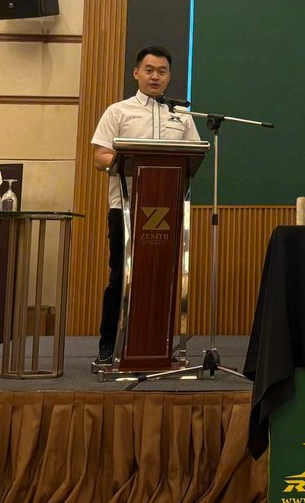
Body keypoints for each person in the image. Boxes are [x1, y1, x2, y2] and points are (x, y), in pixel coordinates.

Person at [89, 45, 201, 371]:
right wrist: (135, 160)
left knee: (164, 276)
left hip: (167, 209)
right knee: (121, 277)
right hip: (125, 208)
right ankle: (109, 347)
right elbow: (100, 157)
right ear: (136, 73)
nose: (155, 76)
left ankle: (160, 346)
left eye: (162, 71)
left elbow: (194, 155)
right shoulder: (118, 111)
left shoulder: (181, 115)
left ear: (169, 77)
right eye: (149, 70)